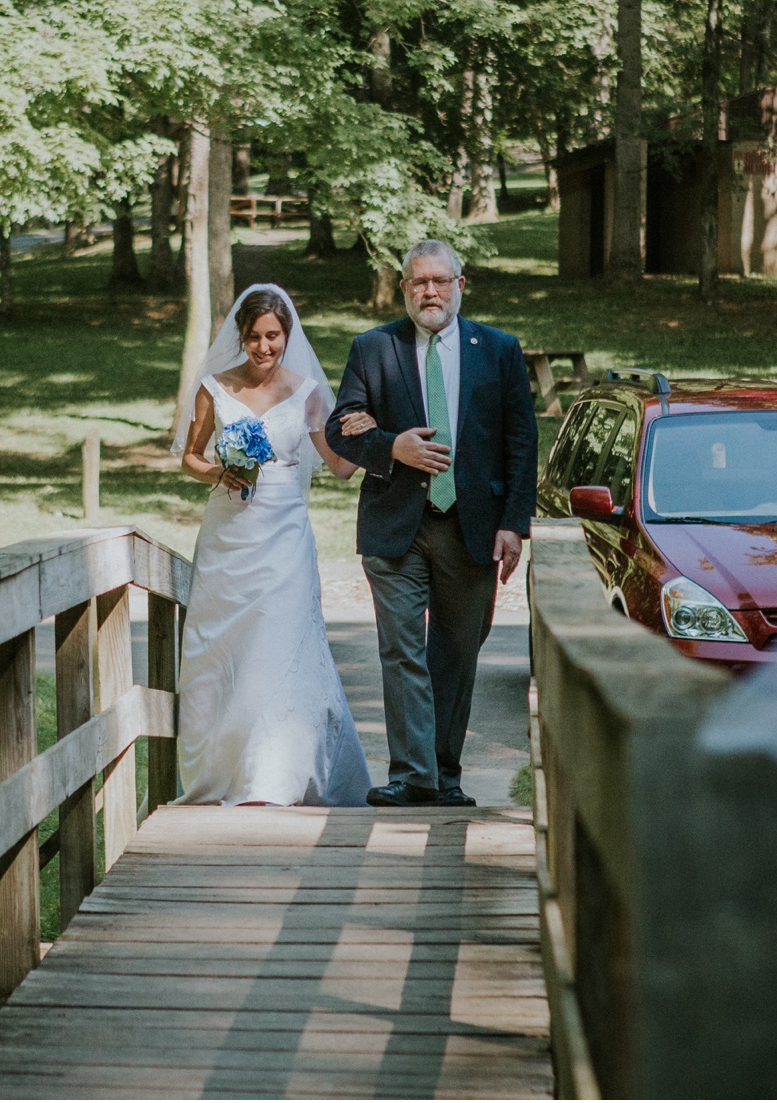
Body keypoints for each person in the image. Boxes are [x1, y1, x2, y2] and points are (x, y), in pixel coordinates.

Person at [325, 240, 538, 807]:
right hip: (396, 526)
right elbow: (339, 426)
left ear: (460, 285)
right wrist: (390, 445)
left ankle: (444, 774)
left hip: (473, 527)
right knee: (402, 651)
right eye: (419, 282)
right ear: (404, 288)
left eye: (441, 281)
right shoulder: (374, 349)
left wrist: (515, 524)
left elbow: (521, 442)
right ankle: (413, 775)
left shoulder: (499, 350)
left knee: (457, 651)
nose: (430, 292)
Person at [169, 284, 374, 806]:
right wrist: (222, 469)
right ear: (241, 336)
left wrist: (369, 430)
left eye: (274, 337)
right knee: (224, 648)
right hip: (228, 535)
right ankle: (224, 768)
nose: (265, 347)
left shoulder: (307, 392)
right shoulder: (213, 388)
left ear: (287, 336)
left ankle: (273, 776)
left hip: (284, 535)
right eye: (256, 337)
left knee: (279, 644)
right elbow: (189, 457)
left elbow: (341, 467)